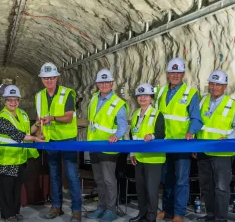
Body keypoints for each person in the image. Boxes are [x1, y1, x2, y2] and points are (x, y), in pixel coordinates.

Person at [195, 70, 235, 222]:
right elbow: (198, 124)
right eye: (212, 84)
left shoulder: (232, 105)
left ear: (225, 86)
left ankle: (221, 218)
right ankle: (210, 215)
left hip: (222, 153)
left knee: (222, 188)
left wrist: (229, 139)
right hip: (203, 151)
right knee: (206, 186)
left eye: (218, 84)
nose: (214, 87)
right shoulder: (202, 101)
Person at [155, 58, 201, 222]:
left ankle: (179, 214)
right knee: (166, 179)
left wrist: (191, 132)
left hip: (182, 144)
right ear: (167, 74)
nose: (175, 75)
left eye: (178, 72)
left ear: (183, 74)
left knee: (181, 180)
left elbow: (197, 118)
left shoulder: (191, 93)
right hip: (163, 143)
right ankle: (167, 210)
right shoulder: (160, 92)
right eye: (172, 72)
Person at [35, 62, 82, 222]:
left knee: (71, 175)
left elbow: (69, 117)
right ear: (42, 79)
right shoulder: (39, 96)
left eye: (52, 77)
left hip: (67, 139)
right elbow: (41, 119)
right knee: (54, 175)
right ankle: (56, 207)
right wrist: (40, 134)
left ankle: (76, 210)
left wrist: (53, 118)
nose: (49, 81)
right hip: (50, 141)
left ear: (57, 78)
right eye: (45, 78)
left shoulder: (67, 93)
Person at [0, 85, 44, 222]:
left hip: (19, 159)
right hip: (5, 159)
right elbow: (18, 135)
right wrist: (35, 139)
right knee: (6, 190)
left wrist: (37, 125)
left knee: (16, 189)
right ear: (5, 101)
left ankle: (15, 212)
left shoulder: (23, 114)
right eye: (10, 100)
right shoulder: (2, 118)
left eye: (16, 100)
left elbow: (27, 132)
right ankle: (8, 215)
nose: (13, 103)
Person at [86, 69, 128, 222]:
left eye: (107, 82)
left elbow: (122, 125)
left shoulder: (118, 103)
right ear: (97, 84)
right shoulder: (93, 99)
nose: (104, 85)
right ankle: (101, 207)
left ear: (112, 83)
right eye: (101, 82)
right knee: (98, 179)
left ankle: (111, 209)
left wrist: (116, 136)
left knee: (109, 179)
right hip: (94, 145)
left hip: (109, 148)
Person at [128, 83, 165, 222]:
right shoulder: (136, 114)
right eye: (140, 95)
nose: (142, 98)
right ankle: (142, 214)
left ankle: (151, 217)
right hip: (139, 157)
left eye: (146, 95)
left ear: (151, 97)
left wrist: (152, 136)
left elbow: (161, 133)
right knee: (141, 189)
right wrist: (132, 153)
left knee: (151, 190)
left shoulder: (157, 114)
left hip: (153, 159)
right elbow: (133, 136)